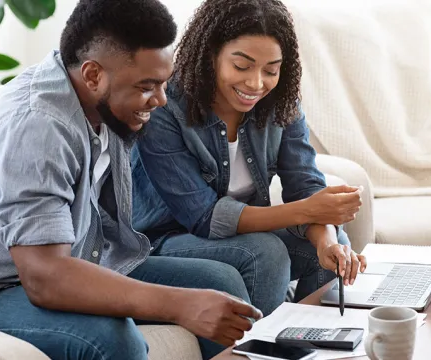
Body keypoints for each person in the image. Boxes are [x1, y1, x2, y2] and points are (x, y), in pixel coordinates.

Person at [0, 1, 262, 359]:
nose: (161, 100)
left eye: (163, 83)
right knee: (111, 339)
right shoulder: (36, 127)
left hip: (76, 257)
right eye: (148, 86)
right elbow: (45, 276)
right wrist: (178, 304)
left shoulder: (103, 100)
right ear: (92, 75)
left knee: (223, 285)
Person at [133, 0, 367, 317]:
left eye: (270, 70)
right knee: (265, 253)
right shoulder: (166, 106)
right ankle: (265, 348)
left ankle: (314, 343)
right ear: (211, 54)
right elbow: (203, 217)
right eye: (242, 66)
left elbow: (305, 185)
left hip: (234, 237)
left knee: (330, 241)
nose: (256, 84)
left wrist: (327, 243)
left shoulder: (280, 101)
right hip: (163, 240)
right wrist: (308, 209)